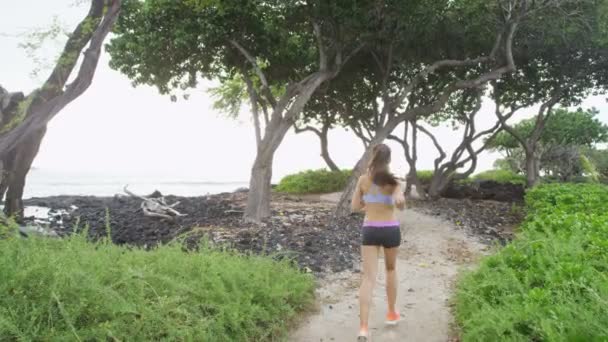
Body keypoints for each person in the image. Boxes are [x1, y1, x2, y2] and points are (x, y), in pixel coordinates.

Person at [351, 144, 405, 341]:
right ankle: (391, 313)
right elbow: (400, 203)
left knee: (368, 278)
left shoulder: (363, 180)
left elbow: (355, 206)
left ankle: (363, 328)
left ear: (373, 157)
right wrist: (397, 199)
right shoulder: (395, 181)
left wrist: (369, 203)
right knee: (391, 270)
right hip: (390, 229)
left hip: (370, 230)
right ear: (388, 160)